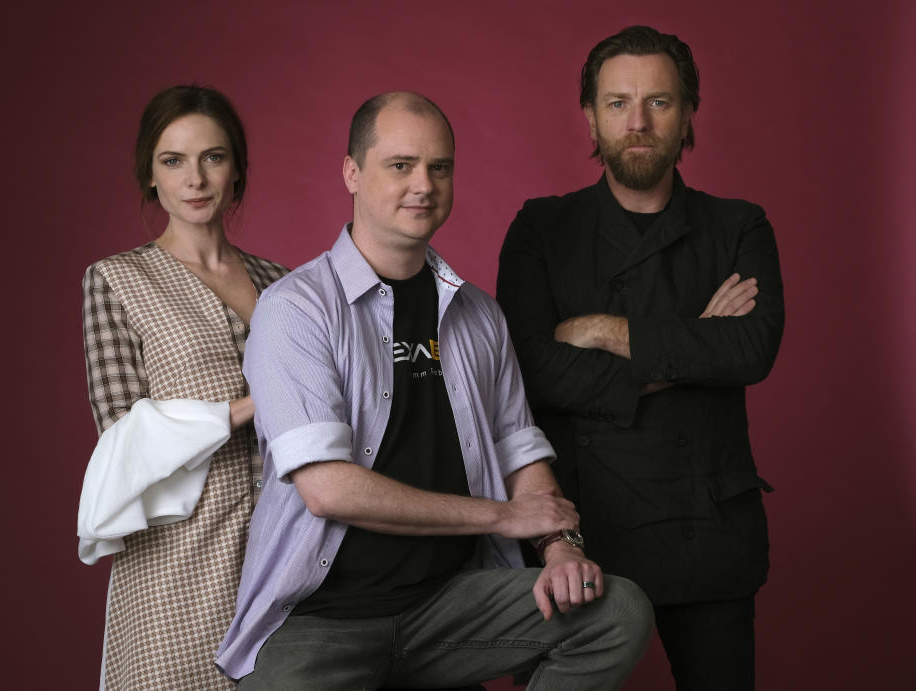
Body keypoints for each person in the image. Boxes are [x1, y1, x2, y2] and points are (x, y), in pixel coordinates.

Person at [216, 91, 653, 690]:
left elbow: (519, 449)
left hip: (447, 608)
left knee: (616, 612)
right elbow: (327, 488)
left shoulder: (479, 316)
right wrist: (503, 516)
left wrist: (559, 548)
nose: (423, 184)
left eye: (439, 167)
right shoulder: (296, 309)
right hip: (321, 620)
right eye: (400, 165)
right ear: (351, 171)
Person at [496, 26, 785, 691]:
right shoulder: (542, 227)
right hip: (578, 529)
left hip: (706, 528)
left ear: (687, 116)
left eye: (659, 102)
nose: (638, 121)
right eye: (618, 102)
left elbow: (750, 347)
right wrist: (692, 341)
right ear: (590, 117)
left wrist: (599, 327)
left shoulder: (740, 225)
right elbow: (532, 370)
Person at [77, 85, 288, 689]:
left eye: (213, 157)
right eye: (173, 161)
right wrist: (249, 407)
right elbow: (122, 443)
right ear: (151, 174)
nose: (195, 179)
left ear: (237, 169)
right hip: (178, 561)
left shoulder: (284, 285)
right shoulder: (116, 281)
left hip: (285, 551)